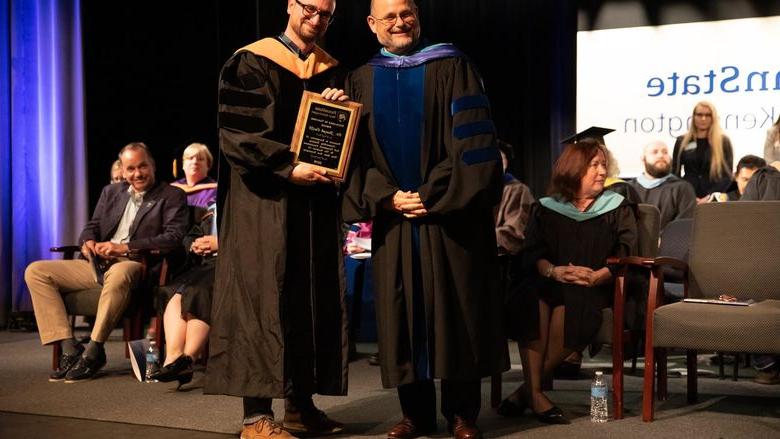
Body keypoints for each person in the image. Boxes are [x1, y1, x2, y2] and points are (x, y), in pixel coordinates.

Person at [343, 1, 508, 438]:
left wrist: (428, 195)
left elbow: (472, 149)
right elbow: (354, 159)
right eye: (390, 16)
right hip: (395, 220)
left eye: (407, 13)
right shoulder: (360, 79)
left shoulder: (453, 66)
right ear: (372, 24)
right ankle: (414, 414)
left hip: (450, 218)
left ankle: (462, 415)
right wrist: (388, 197)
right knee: (403, 315)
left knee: (458, 312)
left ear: (417, 14)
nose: (400, 23)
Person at [204, 1, 348, 439]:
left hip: (312, 207)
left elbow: (337, 135)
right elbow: (238, 134)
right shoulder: (251, 60)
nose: (317, 19)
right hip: (261, 203)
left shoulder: (329, 68)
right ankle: (255, 418)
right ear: (291, 6)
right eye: (310, 8)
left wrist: (337, 107)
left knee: (308, 297)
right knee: (262, 301)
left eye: (326, 13)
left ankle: (301, 408)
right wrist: (287, 166)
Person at [498, 139, 637, 424]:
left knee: (573, 303)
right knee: (530, 296)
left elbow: (627, 250)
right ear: (574, 169)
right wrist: (553, 271)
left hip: (596, 285)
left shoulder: (617, 206)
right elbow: (533, 251)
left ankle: (527, 393)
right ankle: (536, 395)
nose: (602, 171)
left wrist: (599, 275)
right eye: (594, 165)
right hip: (551, 279)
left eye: (603, 165)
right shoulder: (547, 207)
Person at [24, 142, 188, 382]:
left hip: (136, 263)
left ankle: (94, 349)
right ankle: (70, 348)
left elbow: (173, 237)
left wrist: (124, 247)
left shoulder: (171, 195)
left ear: (152, 165)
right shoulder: (111, 193)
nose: (138, 173)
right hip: (98, 263)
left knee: (120, 272)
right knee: (36, 271)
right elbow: (92, 227)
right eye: (131, 168)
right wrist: (88, 241)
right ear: (122, 170)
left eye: (142, 166)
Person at [150, 204, 218, 388]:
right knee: (173, 291)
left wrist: (220, 243)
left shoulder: (248, 205)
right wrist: (194, 245)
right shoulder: (213, 208)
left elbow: (254, 239)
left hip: (232, 264)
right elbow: (192, 235)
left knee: (199, 290)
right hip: (206, 264)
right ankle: (173, 357)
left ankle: (188, 359)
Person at [627, 140, 697, 230]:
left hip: (670, 242)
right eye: (654, 152)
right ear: (643, 159)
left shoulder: (683, 188)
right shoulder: (629, 189)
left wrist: (661, 239)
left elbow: (685, 224)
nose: (661, 155)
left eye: (665, 152)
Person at [672, 101, 733, 200]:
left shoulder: (723, 142)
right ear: (693, 117)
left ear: (713, 118)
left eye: (708, 115)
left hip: (714, 198)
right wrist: (686, 194)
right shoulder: (681, 141)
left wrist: (710, 196)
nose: (703, 118)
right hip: (687, 197)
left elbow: (727, 175)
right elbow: (675, 173)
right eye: (699, 115)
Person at [170, 142, 218, 208]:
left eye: (200, 159)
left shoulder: (215, 192)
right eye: (190, 158)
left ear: (208, 165)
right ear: (183, 164)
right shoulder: (172, 189)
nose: (195, 162)